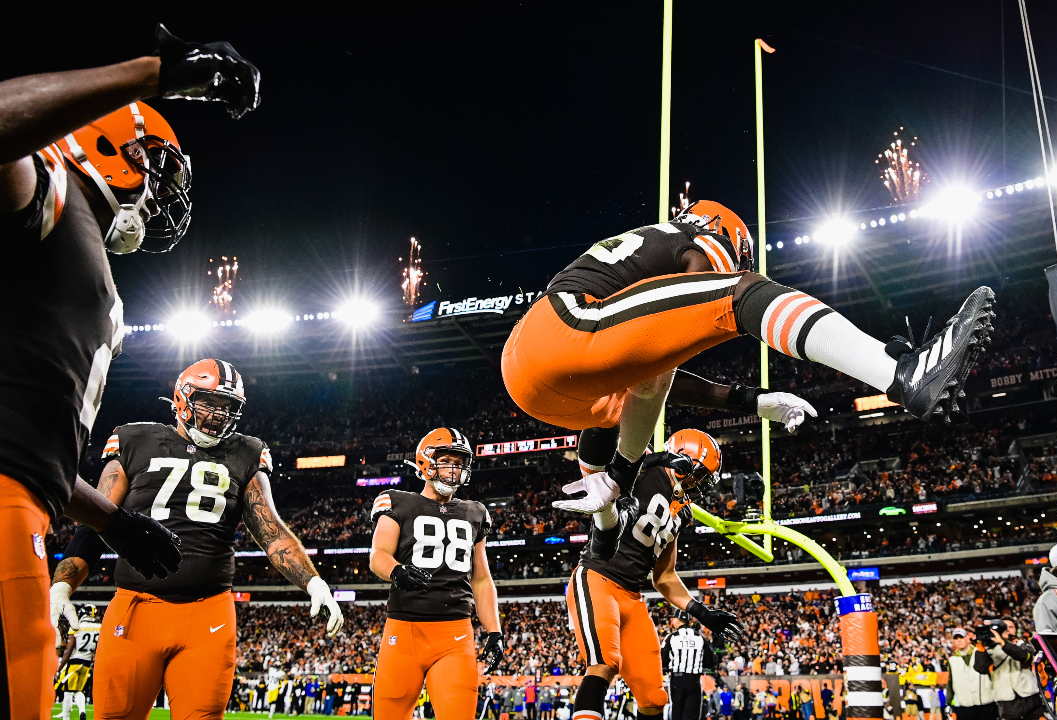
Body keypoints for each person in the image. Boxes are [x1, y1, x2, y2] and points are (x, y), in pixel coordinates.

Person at [0, 21, 261, 714]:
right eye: (157, 164)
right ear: (110, 144)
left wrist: (110, 520)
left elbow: (33, 445)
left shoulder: (81, 250)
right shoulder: (47, 188)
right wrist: (152, 74)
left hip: (24, 500)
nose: (161, 190)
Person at [507, 201, 996, 534]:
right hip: (565, 327)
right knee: (742, 292)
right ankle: (900, 372)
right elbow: (716, 297)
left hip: (545, 378)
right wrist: (740, 315)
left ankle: (612, 476)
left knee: (650, 377)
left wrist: (753, 400)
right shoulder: (693, 239)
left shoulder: (641, 268)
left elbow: (658, 369)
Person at [47, 359, 344, 719]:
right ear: (183, 397)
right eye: (210, 403)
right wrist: (63, 586)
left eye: (228, 407)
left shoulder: (247, 452)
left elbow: (271, 529)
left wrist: (313, 582)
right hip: (136, 607)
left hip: (209, 614)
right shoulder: (135, 439)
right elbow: (97, 517)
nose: (220, 415)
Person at [562, 429, 745, 720]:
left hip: (632, 597)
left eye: (705, 480)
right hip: (597, 578)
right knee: (604, 664)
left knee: (654, 697)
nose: (700, 485)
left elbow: (665, 577)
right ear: (682, 459)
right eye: (700, 474)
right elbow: (600, 445)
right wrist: (656, 459)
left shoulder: (684, 512)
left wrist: (702, 612)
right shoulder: (645, 465)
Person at [368, 427, 505, 719]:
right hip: (404, 630)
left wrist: (494, 630)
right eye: (447, 460)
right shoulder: (397, 501)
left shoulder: (475, 512)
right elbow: (378, 555)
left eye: (459, 463)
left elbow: (481, 578)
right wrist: (397, 570)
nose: (454, 469)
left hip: (455, 634)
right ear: (426, 461)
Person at [973, 620, 1040, 720]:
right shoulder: (987, 649)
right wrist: (981, 647)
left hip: (1029, 697)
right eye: (1004, 628)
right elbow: (981, 668)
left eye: (1010, 627)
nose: (1007, 630)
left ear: (1016, 630)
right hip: (1007, 701)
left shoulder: (1022, 644)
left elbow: (1024, 656)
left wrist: (1003, 643)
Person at [661, 611, 717, 720]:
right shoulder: (700, 638)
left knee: (677, 713)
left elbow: (663, 660)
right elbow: (710, 660)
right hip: (694, 680)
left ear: (677, 621)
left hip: (677, 679)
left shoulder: (671, 637)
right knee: (692, 716)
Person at [55, 605, 100, 720]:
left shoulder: (77, 627)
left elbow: (68, 651)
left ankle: (66, 717)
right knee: (78, 690)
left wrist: (59, 668)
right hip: (87, 663)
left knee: (68, 690)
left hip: (74, 661)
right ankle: (82, 711)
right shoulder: (100, 627)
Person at [946, 627, 997, 720]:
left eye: (961, 637)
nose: (959, 640)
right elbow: (950, 683)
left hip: (986, 702)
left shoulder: (980, 652)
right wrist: (948, 703)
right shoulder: (952, 660)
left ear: (967, 639)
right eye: (956, 639)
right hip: (965, 705)